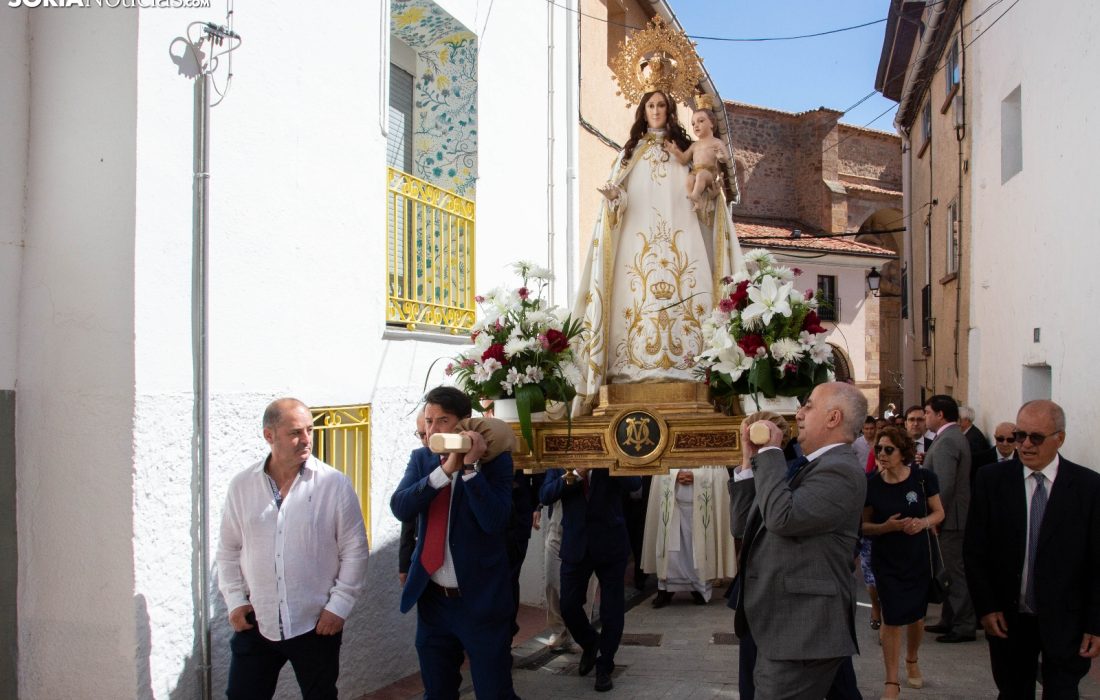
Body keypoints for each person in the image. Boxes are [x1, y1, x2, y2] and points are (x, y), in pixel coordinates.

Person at [571, 89, 743, 414]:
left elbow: (710, 199)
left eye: (661, 105)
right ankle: (628, 373)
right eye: (650, 105)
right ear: (642, 110)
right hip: (636, 253)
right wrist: (614, 199)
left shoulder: (683, 152)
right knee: (632, 299)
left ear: (670, 110)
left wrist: (708, 196)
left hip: (684, 244)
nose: (655, 110)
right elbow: (615, 204)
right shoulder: (629, 155)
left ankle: (692, 370)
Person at [216, 398, 370, 700]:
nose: (306, 440)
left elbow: (355, 549)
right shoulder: (242, 486)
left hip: (316, 624)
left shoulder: (333, 484)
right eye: (295, 432)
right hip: (256, 622)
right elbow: (229, 549)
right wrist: (234, 600)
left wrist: (338, 607)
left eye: (310, 430)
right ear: (269, 435)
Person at [731, 382, 869, 698]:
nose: (799, 413)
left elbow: (783, 518)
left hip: (803, 631)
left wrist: (769, 451)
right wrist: (747, 461)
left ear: (834, 418)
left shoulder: (840, 470)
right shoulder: (808, 466)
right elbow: (743, 527)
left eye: (808, 406)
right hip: (780, 625)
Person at [965, 399, 1100, 698]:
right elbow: (975, 550)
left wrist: (1095, 623)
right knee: (1013, 691)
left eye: (1036, 438)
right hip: (1008, 620)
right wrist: (986, 607)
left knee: (1063, 692)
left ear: (1059, 439)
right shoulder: (992, 481)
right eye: (1019, 436)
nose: (1025, 445)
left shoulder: (1089, 488)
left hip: (1067, 621)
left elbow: (1096, 562)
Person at [390, 387, 518, 700]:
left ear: (464, 422)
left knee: (493, 692)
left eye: (442, 421)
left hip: (481, 601)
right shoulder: (422, 460)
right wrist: (443, 472)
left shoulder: (496, 461)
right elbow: (401, 507)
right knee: (437, 692)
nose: (432, 430)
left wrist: (471, 469)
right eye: (429, 422)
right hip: (433, 602)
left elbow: (494, 521)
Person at [541, 467, 642, 693]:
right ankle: (589, 642)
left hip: (610, 543)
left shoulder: (611, 450)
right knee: (567, 606)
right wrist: (576, 473)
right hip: (576, 545)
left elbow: (635, 483)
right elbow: (545, 494)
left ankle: (605, 665)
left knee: (611, 610)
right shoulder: (563, 457)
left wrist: (612, 461)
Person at [863, 426, 945, 699]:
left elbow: (938, 513)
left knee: (916, 617)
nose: (882, 455)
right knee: (892, 616)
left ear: (903, 452)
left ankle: (912, 658)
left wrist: (922, 523)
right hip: (887, 559)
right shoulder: (871, 484)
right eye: (878, 449)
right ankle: (891, 681)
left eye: (889, 449)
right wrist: (886, 527)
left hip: (917, 557)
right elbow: (864, 526)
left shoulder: (923, 479)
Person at [921, 394, 977, 643]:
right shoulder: (951, 437)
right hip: (953, 516)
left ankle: (964, 624)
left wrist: (936, 517)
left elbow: (944, 485)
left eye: (927, 413)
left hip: (951, 518)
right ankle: (949, 617)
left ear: (940, 414)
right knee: (947, 569)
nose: (925, 417)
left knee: (953, 571)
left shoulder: (947, 441)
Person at [643, 467, 736, 607]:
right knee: (670, 550)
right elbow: (661, 467)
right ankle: (665, 589)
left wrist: (697, 476)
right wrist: (675, 475)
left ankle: (699, 588)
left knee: (698, 549)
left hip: (701, 507)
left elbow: (717, 469)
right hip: (673, 504)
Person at [668, 108, 728, 210]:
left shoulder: (716, 142)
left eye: (701, 121)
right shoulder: (694, 145)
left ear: (712, 124)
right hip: (696, 172)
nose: (696, 125)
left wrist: (720, 156)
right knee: (689, 179)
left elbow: (725, 159)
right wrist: (675, 151)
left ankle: (695, 195)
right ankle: (697, 201)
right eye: (693, 123)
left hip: (709, 173)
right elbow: (684, 159)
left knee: (701, 175)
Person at [399, 410, 430, 586]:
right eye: (422, 435)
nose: (427, 439)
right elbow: (407, 515)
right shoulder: (419, 460)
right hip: (421, 555)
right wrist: (404, 564)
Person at [970, 421, 1017, 487]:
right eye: (1000, 439)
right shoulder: (979, 460)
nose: (1005, 444)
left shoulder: (1023, 460)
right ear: (995, 438)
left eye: (1010, 440)